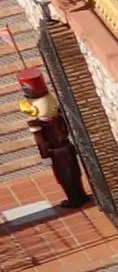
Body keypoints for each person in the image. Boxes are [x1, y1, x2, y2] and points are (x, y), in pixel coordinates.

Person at [18, 78, 83, 209]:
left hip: (55, 151)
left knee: (64, 176)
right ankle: (81, 195)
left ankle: (74, 199)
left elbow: (39, 139)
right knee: (74, 172)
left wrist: (44, 155)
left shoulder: (36, 121)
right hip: (66, 144)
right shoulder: (56, 111)